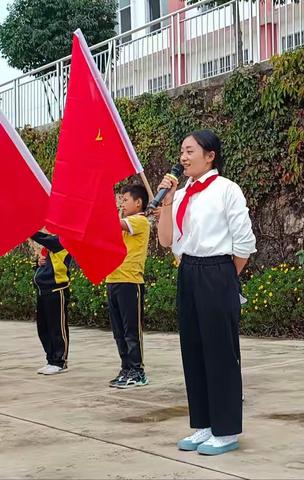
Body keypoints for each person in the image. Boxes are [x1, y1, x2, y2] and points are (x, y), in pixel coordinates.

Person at [156, 129, 256, 456]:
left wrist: (224, 276)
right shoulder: (183, 193)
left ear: (209, 155)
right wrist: (167, 201)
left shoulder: (227, 189)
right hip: (189, 270)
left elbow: (244, 243)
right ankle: (204, 425)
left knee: (221, 352)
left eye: (190, 151)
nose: (183, 158)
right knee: (194, 350)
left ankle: (226, 431)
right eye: (182, 151)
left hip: (218, 270)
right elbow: (167, 241)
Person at [106, 184, 151, 389]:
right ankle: (126, 368)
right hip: (113, 280)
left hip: (130, 282)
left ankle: (137, 371)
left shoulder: (140, 221)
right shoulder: (124, 223)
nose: (121, 204)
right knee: (118, 331)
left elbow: (115, 224)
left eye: (125, 200)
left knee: (131, 331)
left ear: (138, 202)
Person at [31, 231, 72, 375]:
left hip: (57, 289)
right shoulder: (51, 244)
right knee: (44, 328)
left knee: (57, 328)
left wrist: (27, 227)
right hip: (43, 290)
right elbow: (47, 264)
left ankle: (60, 361)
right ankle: (51, 359)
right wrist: (38, 262)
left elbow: (44, 238)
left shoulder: (63, 240)